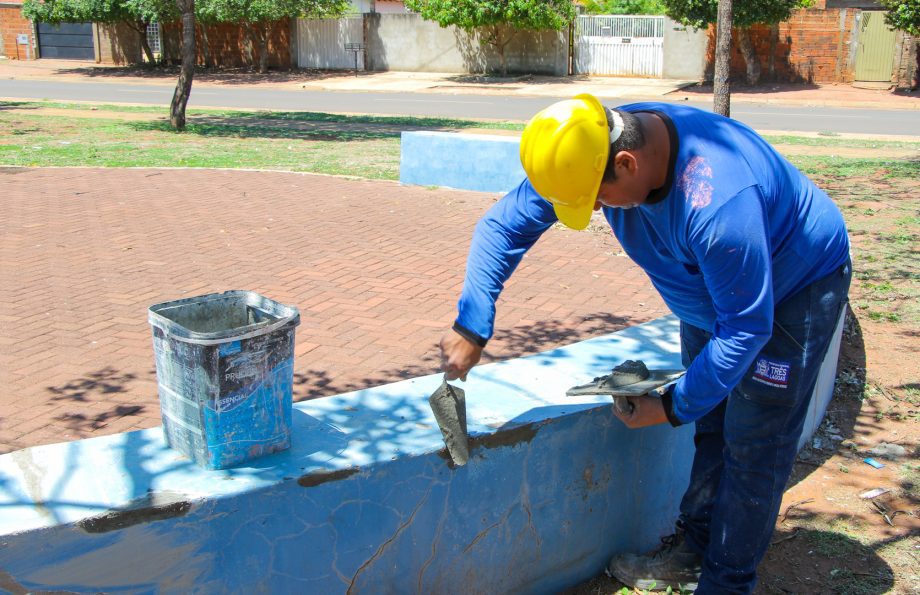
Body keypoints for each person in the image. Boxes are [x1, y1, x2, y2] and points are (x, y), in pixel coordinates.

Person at [438, 94, 851, 593]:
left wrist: (672, 405)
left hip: (792, 290)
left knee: (755, 445)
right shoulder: (588, 147)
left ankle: (726, 584)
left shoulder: (717, 203)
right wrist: (472, 325)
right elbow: (503, 225)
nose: (593, 209)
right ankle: (695, 552)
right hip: (713, 297)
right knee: (713, 424)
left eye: (596, 199)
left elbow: (745, 327)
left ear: (627, 164)